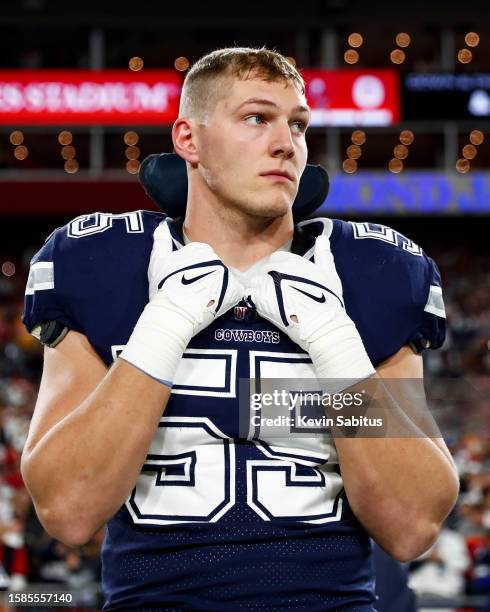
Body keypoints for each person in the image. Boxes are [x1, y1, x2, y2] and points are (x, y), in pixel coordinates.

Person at [20, 47, 459, 611]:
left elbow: (412, 525)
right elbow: (67, 510)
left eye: (298, 124)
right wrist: (167, 323)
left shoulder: (370, 274)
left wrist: (337, 345)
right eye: (256, 118)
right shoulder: (104, 263)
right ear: (188, 140)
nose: (286, 142)